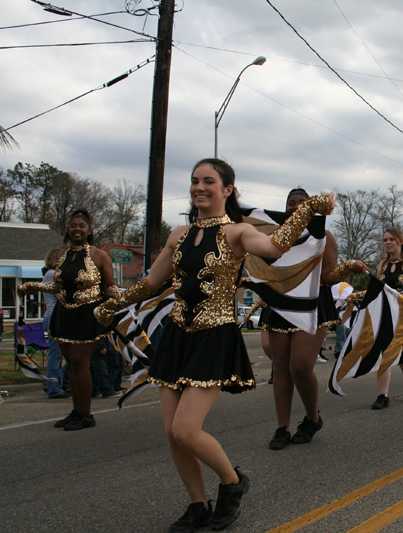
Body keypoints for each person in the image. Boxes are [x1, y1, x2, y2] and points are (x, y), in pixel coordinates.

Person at [94, 160, 335, 531]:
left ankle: (232, 483)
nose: (199, 187)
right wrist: (114, 304)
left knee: (185, 429)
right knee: (173, 434)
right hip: (177, 336)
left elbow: (274, 248)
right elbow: (151, 283)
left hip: (214, 336)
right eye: (195, 181)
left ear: (227, 189)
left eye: (209, 181)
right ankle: (197, 505)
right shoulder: (178, 234)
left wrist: (307, 211)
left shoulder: (237, 232)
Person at [261, 188, 366, 451]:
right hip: (281, 303)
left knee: (299, 366)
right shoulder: (274, 237)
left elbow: (329, 276)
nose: (295, 207)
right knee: (280, 367)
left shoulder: (324, 236)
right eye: (291, 203)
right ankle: (282, 428)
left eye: (301, 202)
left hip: (312, 302)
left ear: (312, 206)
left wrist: (348, 267)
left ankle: (312, 418)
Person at [18, 210, 117, 430]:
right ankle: (76, 411)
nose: (77, 229)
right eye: (73, 226)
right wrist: (31, 286)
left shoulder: (99, 255)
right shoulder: (63, 256)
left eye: (82, 226)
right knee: (71, 364)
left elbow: (109, 285)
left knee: (80, 363)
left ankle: (86, 415)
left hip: (87, 314)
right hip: (63, 314)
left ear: (89, 231)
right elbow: (57, 286)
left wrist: (123, 297)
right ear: (68, 230)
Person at [370, 228, 403, 409]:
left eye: (391, 239)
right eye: (385, 240)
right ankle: (383, 395)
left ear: (400, 242)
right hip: (384, 313)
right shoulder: (383, 264)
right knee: (385, 353)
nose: (388, 242)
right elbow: (377, 288)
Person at [40, 248, 69, 400]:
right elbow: (62, 295)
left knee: (61, 354)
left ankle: (59, 385)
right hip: (54, 317)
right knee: (56, 354)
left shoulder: (51, 274)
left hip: (58, 317)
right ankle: (53, 387)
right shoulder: (52, 274)